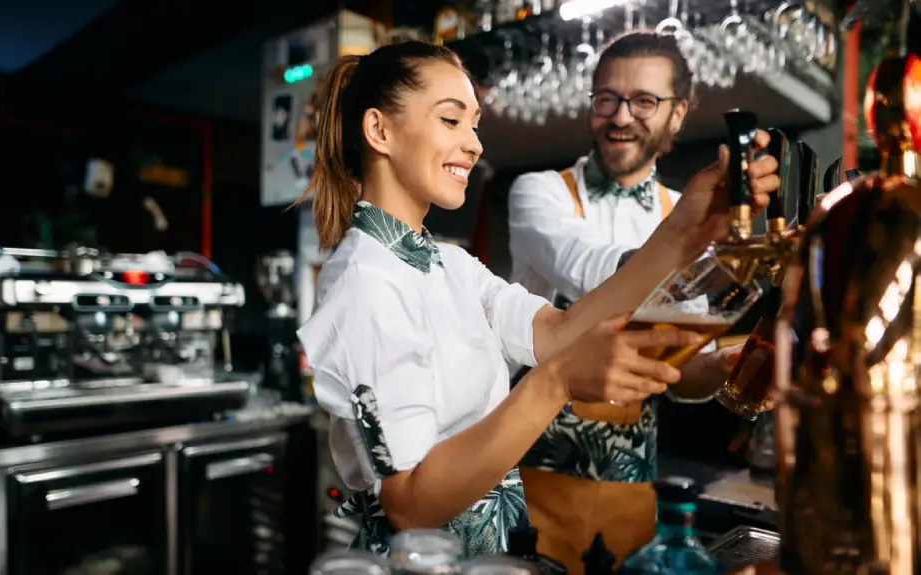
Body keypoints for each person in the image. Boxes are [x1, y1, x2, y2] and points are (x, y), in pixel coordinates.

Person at [295, 40, 779, 558]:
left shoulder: (447, 264)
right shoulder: (364, 281)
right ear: (380, 131)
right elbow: (410, 505)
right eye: (452, 120)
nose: (475, 144)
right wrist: (560, 379)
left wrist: (685, 230)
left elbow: (556, 332)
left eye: (474, 124)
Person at [507, 31, 747, 570]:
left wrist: (730, 367)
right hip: (527, 480)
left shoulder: (684, 211)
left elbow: (676, 368)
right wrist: (686, 242)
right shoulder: (538, 193)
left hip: (634, 493)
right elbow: (590, 269)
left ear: (678, 115)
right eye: (606, 99)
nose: (621, 116)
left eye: (644, 101)